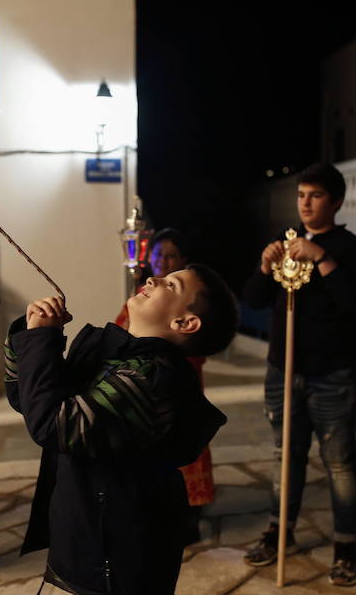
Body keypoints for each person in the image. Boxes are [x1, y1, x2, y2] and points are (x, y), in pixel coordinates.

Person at [4, 263, 238, 594]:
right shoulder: (116, 355)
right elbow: (29, 400)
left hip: (113, 562)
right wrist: (29, 335)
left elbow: (54, 425)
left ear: (185, 322)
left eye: (170, 285)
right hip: (84, 536)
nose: (153, 279)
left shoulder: (150, 380)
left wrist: (41, 339)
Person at [242, 162, 356, 586]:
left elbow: (352, 300)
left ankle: (346, 546)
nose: (306, 204)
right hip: (284, 370)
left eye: (315, 196)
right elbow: (254, 298)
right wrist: (265, 267)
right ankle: (280, 531)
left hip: (333, 373)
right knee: (286, 456)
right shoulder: (284, 244)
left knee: (338, 461)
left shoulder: (351, 248)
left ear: (335, 201)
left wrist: (321, 258)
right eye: (301, 196)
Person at [115, 228, 215, 543]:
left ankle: (190, 516)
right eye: (159, 255)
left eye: (171, 256)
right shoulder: (144, 297)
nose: (163, 262)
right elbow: (120, 332)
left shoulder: (189, 304)